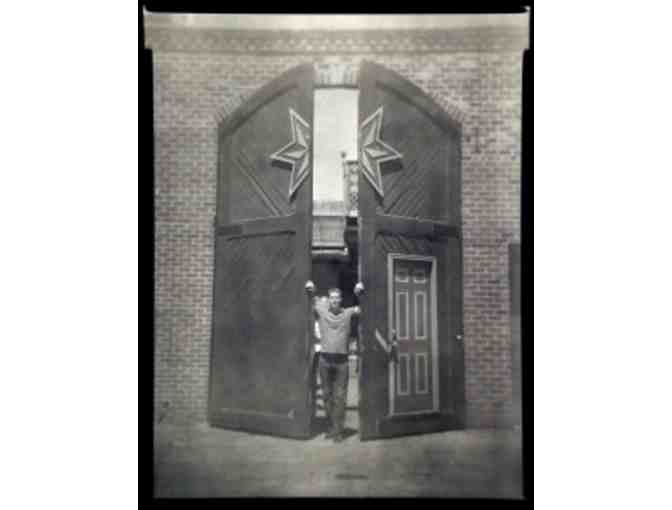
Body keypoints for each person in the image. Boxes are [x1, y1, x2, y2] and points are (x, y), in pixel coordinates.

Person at [305, 280, 364, 443]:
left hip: (342, 362)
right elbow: (309, 300)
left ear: (341, 299)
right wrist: (312, 289)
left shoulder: (348, 312)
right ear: (329, 300)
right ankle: (331, 427)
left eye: (337, 298)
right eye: (332, 298)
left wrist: (359, 294)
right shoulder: (322, 310)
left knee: (340, 397)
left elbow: (363, 309)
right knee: (326, 396)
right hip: (324, 360)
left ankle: (338, 431)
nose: (335, 300)